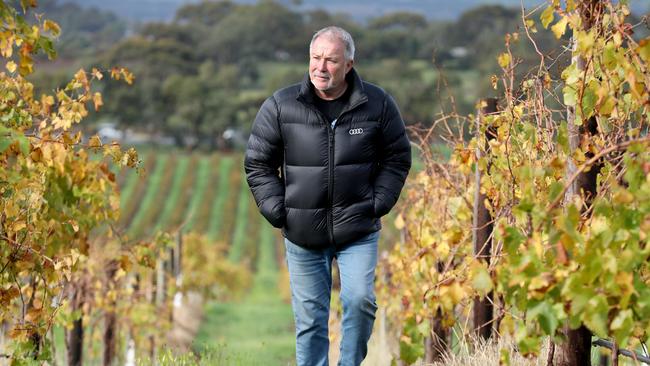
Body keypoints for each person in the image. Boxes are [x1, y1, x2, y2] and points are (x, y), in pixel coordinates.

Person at [244, 26, 411, 366]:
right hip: (302, 232)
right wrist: (280, 211)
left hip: (358, 230)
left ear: (349, 64)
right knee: (310, 322)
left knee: (361, 301)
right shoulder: (281, 105)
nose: (321, 67)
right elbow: (258, 164)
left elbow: (397, 158)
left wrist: (376, 204)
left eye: (331, 60)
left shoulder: (377, 104)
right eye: (315, 58)